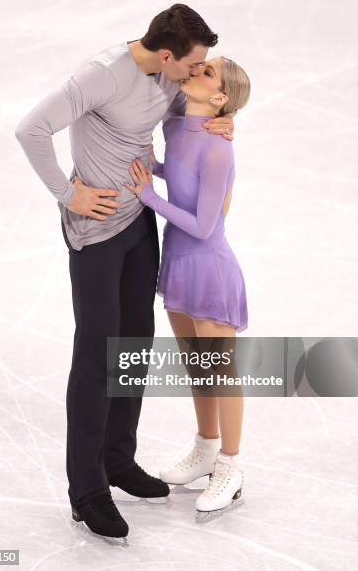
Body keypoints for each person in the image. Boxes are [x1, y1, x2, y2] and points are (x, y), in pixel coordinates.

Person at [14, 3, 234, 541]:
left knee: (135, 340)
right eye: (191, 64)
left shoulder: (170, 79)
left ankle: (117, 459)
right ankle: (85, 489)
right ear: (166, 55)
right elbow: (30, 130)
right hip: (95, 231)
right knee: (96, 353)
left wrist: (226, 121)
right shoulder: (102, 75)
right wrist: (70, 195)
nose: (192, 74)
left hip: (141, 223)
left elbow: (204, 101)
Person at [124, 54, 250, 518]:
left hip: (208, 267)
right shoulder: (177, 124)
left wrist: (149, 197)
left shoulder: (219, 148)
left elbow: (203, 225)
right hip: (176, 262)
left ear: (219, 97)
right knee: (197, 367)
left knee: (221, 373)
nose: (197, 69)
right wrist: (153, 168)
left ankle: (231, 466)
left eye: (208, 71)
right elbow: (177, 170)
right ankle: (205, 448)